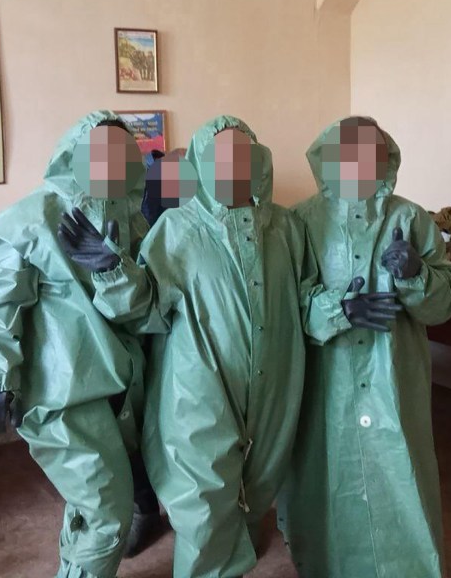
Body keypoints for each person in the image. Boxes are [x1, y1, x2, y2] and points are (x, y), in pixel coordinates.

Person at [59, 115, 351, 578]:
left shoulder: (286, 229)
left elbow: (306, 300)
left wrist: (343, 309)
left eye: (244, 157)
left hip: (273, 397)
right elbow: (144, 309)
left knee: (252, 496)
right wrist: (112, 272)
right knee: (204, 511)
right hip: (198, 397)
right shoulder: (177, 229)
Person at [276, 116, 451, 578]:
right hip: (327, 381)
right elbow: (285, 303)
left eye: (369, 153)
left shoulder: (410, 218)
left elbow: (445, 304)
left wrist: (417, 275)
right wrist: (340, 311)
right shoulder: (300, 222)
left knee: (399, 475)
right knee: (326, 481)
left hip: (392, 378)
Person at [0, 110, 148, 578]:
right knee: (108, 514)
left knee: (92, 502)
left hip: (115, 389)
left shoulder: (133, 223)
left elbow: (142, 310)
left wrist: (113, 268)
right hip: (59, 397)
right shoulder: (30, 219)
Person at [125, 148, 198, 557]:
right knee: (138, 421)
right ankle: (144, 507)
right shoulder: (161, 174)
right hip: (147, 314)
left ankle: (204, 510)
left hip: (198, 329)